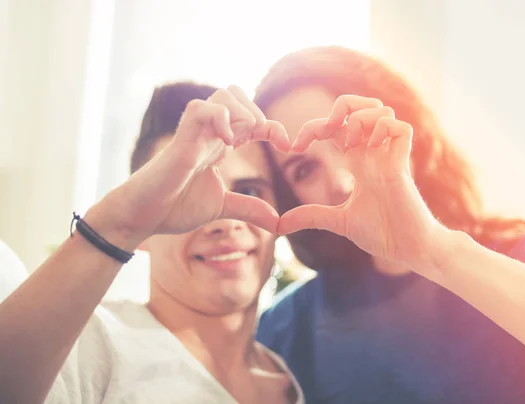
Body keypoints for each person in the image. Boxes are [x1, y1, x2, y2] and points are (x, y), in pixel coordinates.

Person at [254, 46, 525, 404]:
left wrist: (434, 251)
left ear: (404, 129)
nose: (341, 180)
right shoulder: (287, 328)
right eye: (304, 170)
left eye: (350, 138)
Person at [0, 82, 304, 404]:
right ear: (144, 229)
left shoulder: (295, 377)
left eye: (250, 191)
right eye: (187, 193)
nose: (225, 222)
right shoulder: (85, 343)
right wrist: (118, 225)